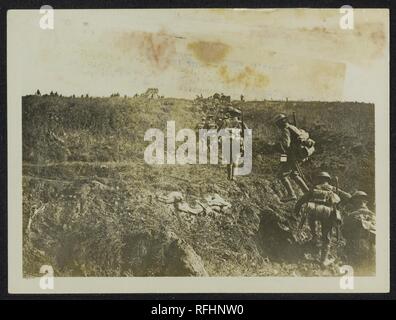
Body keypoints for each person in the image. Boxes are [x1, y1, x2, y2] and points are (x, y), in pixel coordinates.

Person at [294, 172, 351, 266]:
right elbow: (348, 197)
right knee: (327, 237)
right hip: (329, 212)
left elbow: (301, 200)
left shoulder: (314, 189)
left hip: (314, 210)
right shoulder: (333, 189)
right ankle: (323, 261)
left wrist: (296, 211)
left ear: (318, 179)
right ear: (328, 180)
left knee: (310, 214)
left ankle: (314, 236)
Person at [272, 113, 315, 202]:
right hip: (299, 155)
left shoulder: (285, 130)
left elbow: (285, 146)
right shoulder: (292, 127)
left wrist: (275, 146)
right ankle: (307, 192)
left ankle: (291, 194)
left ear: (280, 123)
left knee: (281, 175)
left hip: (292, 156)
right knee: (294, 174)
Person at [342, 191, 376, 274]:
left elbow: (344, 232)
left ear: (354, 202)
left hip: (355, 246)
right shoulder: (373, 215)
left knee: (355, 271)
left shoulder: (351, 215)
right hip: (371, 247)